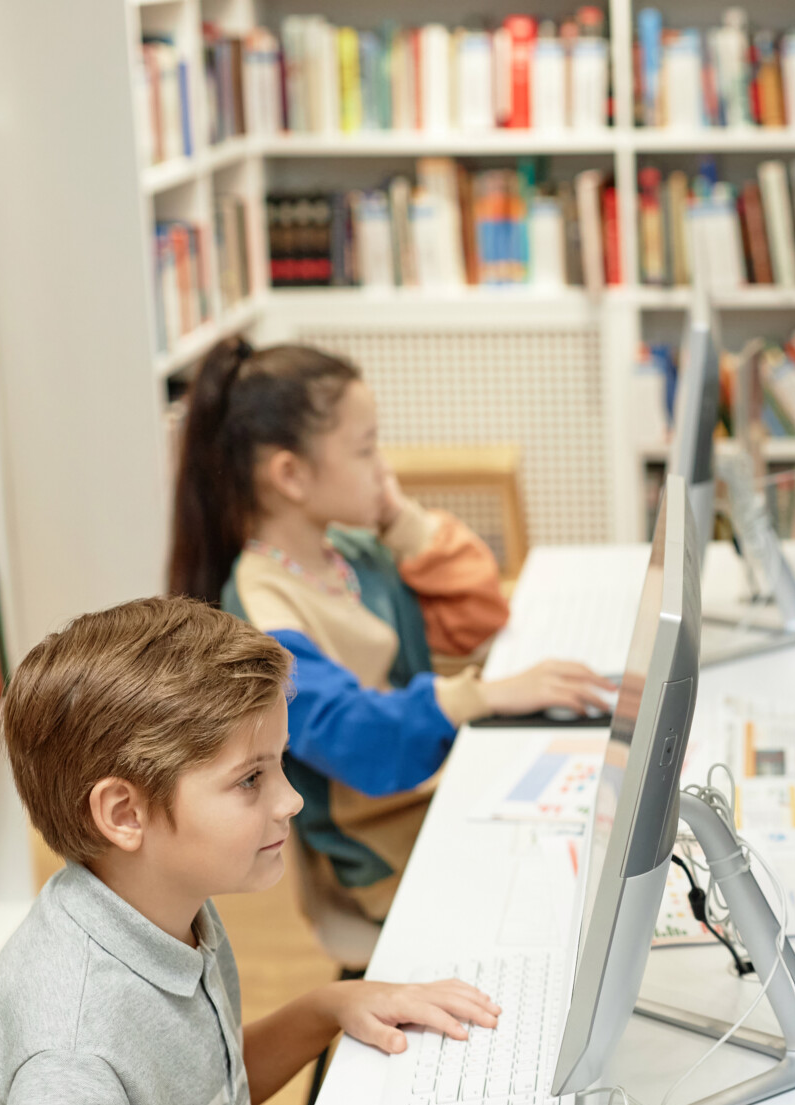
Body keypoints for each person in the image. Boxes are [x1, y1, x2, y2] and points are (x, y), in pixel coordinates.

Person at [0, 597, 543, 1105]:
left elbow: (187, 1101)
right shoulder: (69, 1038)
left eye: (278, 765)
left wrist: (323, 1011)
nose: (290, 799)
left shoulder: (163, 908)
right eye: (251, 779)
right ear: (124, 813)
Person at [167, 337, 613, 967]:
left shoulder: (350, 551)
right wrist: (482, 694)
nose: (384, 467)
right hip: (388, 858)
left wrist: (399, 517)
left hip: (442, 799)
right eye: (366, 447)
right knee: (584, 900)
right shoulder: (263, 613)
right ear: (291, 475)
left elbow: (479, 610)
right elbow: (362, 741)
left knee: (599, 852)